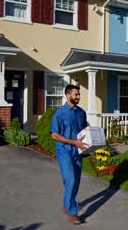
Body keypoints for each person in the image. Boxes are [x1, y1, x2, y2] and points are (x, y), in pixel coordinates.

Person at [50, 84, 90, 225]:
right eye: (76, 95)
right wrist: (73, 142)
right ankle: (73, 213)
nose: (78, 97)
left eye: (79, 95)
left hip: (78, 151)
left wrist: (90, 144)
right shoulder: (59, 113)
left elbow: (85, 131)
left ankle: (66, 205)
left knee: (75, 180)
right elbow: (54, 135)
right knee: (71, 179)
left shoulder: (81, 113)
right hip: (64, 151)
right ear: (68, 95)